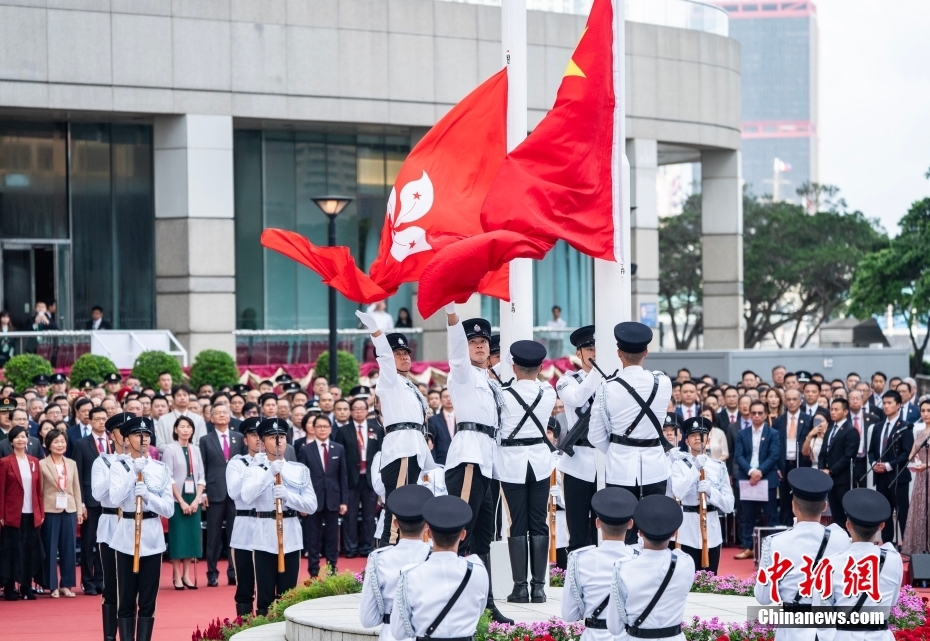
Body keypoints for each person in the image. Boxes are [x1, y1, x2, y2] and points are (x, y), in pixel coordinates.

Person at [442, 307, 509, 615]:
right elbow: (456, 348)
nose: (480, 345)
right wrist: (452, 315)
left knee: (485, 536)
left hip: (489, 460)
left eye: (484, 341)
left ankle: (486, 602)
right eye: (473, 341)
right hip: (468, 457)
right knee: (460, 530)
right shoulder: (462, 373)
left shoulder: (492, 381)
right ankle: (453, 598)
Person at [588, 322, 672, 544]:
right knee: (655, 527)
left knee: (620, 531)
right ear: (646, 352)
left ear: (619, 353)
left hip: (619, 467)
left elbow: (595, 435)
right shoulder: (662, 382)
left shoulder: (608, 387)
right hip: (655, 464)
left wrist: (618, 448)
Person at [356, 309, 432, 547]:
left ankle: (406, 553)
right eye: (398, 354)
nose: (405, 358)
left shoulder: (410, 385)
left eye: (406, 353)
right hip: (399, 449)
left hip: (413, 447)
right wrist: (376, 332)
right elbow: (385, 360)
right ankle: (389, 553)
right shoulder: (389, 379)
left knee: (410, 506)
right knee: (397, 505)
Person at [755, 468, 851, 641]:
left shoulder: (775, 542)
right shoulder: (842, 539)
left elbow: (763, 597)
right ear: (824, 506)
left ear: (793, 506)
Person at [496, 339, 556, 604]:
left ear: (514, 366)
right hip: (540, 462)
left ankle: (520, 588)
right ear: (540, 366)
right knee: (539, 521)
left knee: (517, 522)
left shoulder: (502, 393)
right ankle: (539, 588)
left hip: (512, 462)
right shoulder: (548, 392)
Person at [240, 418, 317, 616]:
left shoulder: (299, 469)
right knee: (264, 597)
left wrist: (288, 497)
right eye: (273, 438)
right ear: (263, 442)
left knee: (288, 595)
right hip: (264, 536)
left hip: (290, 534)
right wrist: (268, 476)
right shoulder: (253, 470)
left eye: (282, 437)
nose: (279, 441)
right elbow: (247, 497)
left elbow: (311, 505)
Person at [109, 414, 173, 641]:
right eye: (138, 435)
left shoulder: (161, 468)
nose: (144, 439)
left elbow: (168, 509)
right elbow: (115, 498)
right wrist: (131, 474)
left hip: (152, 536)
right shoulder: (118, 466)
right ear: (126, 439)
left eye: (147, 435)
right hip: (126, 535)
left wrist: (148, 498)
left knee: (148, 600)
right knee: (126, 599)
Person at [391, 495, 489, 641]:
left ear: (429, 533)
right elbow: (479, 610)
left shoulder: (411, 574)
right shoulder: (478, 571)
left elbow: (398, 632)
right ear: (463, 535)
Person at [813, 489, 903, 641]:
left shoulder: (830, 564)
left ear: (848, 525)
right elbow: (893, 601)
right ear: (881, 526)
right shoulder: (894, 560)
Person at [606, 495, 695, 639]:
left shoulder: (624, 567)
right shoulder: (686, 563)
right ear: (674, 533)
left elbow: (614, 628)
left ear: (639, 532)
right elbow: (677, 554)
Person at [561, 487, 638, 640]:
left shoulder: (580, 559)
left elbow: (569, 614)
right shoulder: (639, 560)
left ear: (597, 523)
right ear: (630, 524)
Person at [358, 485, 433, 641]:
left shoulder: (379, 559)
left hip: (390, 634)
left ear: (395, 523)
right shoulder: (435, 556)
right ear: (427, 524)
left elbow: (368, 619)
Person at [555, 325, 602, 558]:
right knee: (578, 528)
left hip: (606, 460)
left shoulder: (613, 380)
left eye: (597, 348)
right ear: (579, 353)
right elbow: (577, 397)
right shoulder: (567, 380)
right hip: (578, 463)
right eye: (589, 348)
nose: (593, 353)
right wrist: (599, 370)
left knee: (606, 526)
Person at [671, 417, 734, 574]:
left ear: (708, 439)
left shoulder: (719, 467)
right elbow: (678, 492)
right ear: (686, 441)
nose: (698, 438)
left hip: (712, 529)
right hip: (687, 531)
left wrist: (711, 492)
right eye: (693, 435)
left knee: (710, 581)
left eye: (702, 435)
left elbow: (728, 506)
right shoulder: (679, 465)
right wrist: (695, 470)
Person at [92, 413, 130, 641]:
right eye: (122, 431)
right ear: (112, 434)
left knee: (131, 584)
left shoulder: (145, 462)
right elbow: (98, 494)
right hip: (110, 524)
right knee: (112, 583)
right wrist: (117, 468)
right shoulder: (103, 461)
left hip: (134, 524)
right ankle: (109, 636)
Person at [199, 403, 243, 588]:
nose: (222, 416)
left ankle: (233, 572)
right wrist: (204, 492)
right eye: (218, 413)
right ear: (211, 418)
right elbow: (203, 467)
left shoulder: (239, 437)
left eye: (225, 413)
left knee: (235, 534)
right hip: (215, 492)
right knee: (213, 535)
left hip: (235, 493)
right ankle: (212, 572)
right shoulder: (205, 440)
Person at [298, 415, 347, 577]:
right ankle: (313, 570)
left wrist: (344, 501)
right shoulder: (305, 449)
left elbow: (342, 477)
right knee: (313, 536)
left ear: (330, 429)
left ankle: (332, 568)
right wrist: (302, 503)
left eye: (325, 426)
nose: (322, 429)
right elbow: (301, 477)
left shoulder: (338, 448)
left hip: (333, 499)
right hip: (312, 499)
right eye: (319, 426)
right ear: (313, 428)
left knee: (333, 536)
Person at [0, 425, 45, 600]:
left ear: (28, 439)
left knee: (30, 550)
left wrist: (40, 513)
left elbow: (38, 490)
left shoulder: (34, 461)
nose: (21, 440)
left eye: (23, 436)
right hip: (13, 514)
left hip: (31, 512)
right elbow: (1, 491)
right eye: (17, 437)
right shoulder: (4, 462)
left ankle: (27, 586)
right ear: (11, 441)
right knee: (11, 551)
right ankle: (10, 587)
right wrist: (2, 515)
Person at [336, 398, 382, 558]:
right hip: (350, 479)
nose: (359, 411)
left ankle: (367, 548)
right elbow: (340, 457)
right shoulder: (343, 431)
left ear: (367, 410)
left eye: (362, 408)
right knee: (350, 516)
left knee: (369, 516)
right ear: (351, 411)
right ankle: (350, 548)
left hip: (369, 479)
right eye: (355, 409)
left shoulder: (376, 429)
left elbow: (380, 455)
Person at [733, 400, 780, 559]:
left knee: (770, 515)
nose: (757, 416)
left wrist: (759, 472)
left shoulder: (773, 433)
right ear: (749, 414)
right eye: (754, 413)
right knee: (747, 516)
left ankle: (771, 548)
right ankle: (748, 547)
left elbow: (774, 456)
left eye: (760, 413)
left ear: (766, 415)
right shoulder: (742, 433)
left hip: (767, 478)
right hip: (747, 478)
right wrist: (752, 471)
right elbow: (738, 455)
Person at [39, 428, 82, 598]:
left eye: (62, 441)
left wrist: (79, 509)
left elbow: (76, 488)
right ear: (48, 444)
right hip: (49, 509)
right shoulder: (42, 464)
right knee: (50, 548)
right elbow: (39, 491)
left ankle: (67, 584)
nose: (60, 445)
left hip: (69, 508)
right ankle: (52, 585)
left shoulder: (71, 463)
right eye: (56, 442)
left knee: (69, 548)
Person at [72, 405, 111, 595]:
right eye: (98, 419)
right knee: (89, 542)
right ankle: (87, 581)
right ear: (90, 420)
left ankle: (101, 579)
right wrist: (81, 503)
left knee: (106, 542)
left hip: (111, 501)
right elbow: (77, 475)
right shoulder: (81, 443)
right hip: (90, 500)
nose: (102, 422)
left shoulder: (114, 442)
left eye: (105, 418)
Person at [163, 416, 205, 590]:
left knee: (191, 537)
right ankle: (176, 574)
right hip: (177, 499)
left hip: (193, 498)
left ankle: (187, 574)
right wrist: (180, 501)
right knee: (178, 537)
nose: (186, 429)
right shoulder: (170, 449)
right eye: (182, 426)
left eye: (189, 426)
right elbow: (169, 477)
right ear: (175, 430)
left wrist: (196, 500)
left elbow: (201, 476)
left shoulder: (195, 449)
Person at [226, 417, 261, 617]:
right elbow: (234, 493)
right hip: (244, 528)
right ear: (245, 440)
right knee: (245, 586)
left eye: (261, 436)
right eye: (253, 435)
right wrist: (255, 468)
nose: (257, 439)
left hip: (269, 526)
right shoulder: (237, 463)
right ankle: (244, 628)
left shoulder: (277, 465)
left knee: (268, 587)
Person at [868, 390, 914, 544]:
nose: (886, 406)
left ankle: (906, 544)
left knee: (902, 513)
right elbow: (872, 451)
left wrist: (888, 465)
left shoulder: (905, 427)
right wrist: (874, 464)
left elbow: (906, 454)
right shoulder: (878, 427)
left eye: (889, 403)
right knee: (884, 512)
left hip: (898, 477)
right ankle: (887, 544)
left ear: (898, 405)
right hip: (880, 477)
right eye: (884, 403)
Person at [818, 398, 860, 528]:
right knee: (835, 513)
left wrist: (830, 471)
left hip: (843, 479)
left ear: (845, 411)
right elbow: (823, 453)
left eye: (836, 409)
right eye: (831, 409)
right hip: (829, 479)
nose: (833, 412)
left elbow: (848, 456)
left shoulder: (850, 431)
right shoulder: (830, 429)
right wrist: (821, 469)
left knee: (845, 512)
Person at [902, 398, 930, 555]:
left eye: (929, 411)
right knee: (920, 511)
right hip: (921, 477)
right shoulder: (919, 432)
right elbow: (911, 454)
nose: (925, 414)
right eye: (923, 411)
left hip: (928, 472)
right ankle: (919, 548)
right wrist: (914, 460)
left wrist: (926, 465)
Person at [156, 385, 207, 455]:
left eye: (185, 395)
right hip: (170, 457)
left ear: (189, 397)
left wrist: (188, 451)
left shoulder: (198, 419)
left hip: (193, 457)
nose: (182, 398)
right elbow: (159, 444)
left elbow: (202, 443)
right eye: (179, 395)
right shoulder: (163, 419)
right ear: (173, 398)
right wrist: (176, 451)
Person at [425, 388, 454, 465]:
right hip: (440, 462)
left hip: (459, 462)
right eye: (445, 397)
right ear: (441, 400)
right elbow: (432, 443)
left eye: (451, 396)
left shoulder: (462, 419)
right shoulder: (433, 420)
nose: (448, 399)